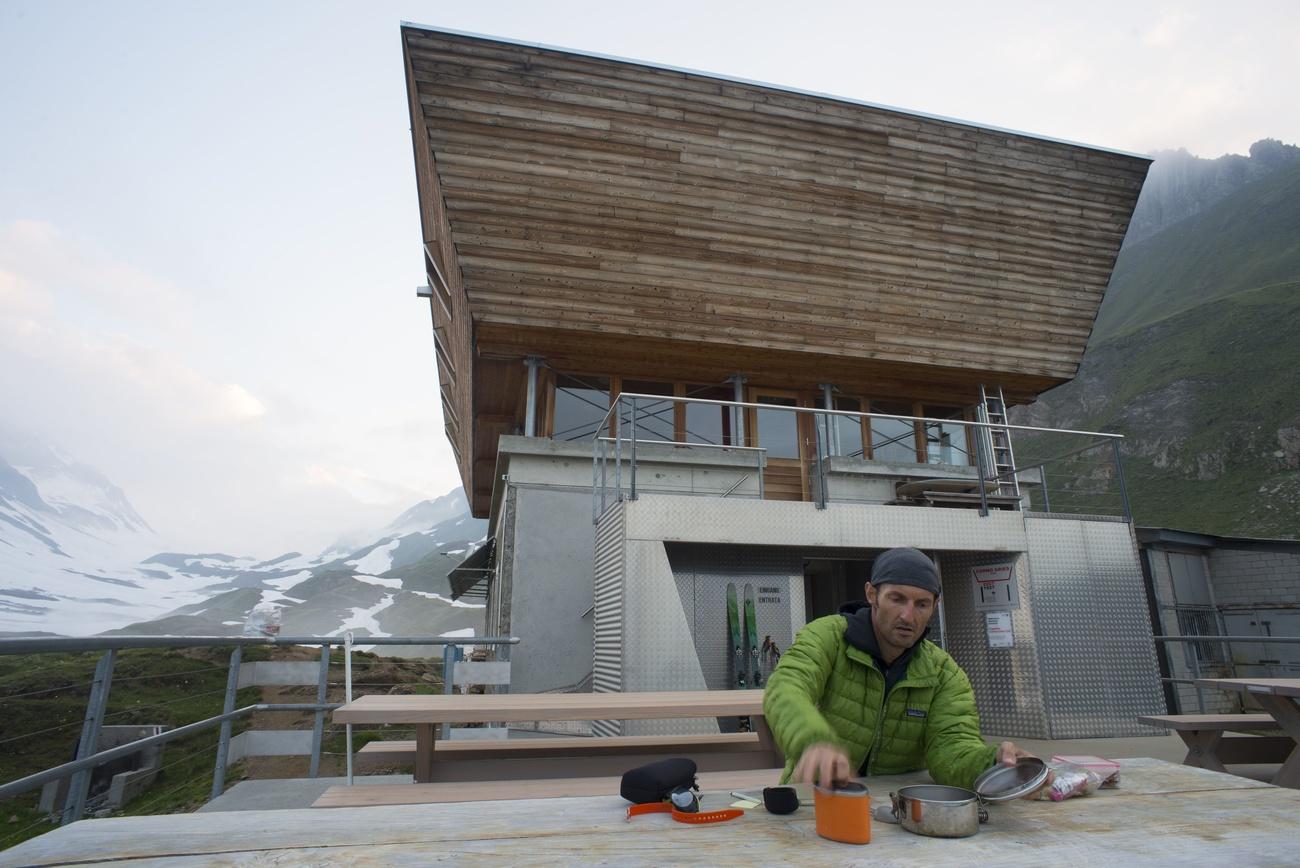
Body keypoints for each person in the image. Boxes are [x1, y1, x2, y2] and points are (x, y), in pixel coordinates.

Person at [762, 547, 1036, 789]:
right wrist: (812, 741)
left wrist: (993, 763)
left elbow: (952, 752)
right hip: (813, 797)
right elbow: (786, 688)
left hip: (895, 812)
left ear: (934, 606)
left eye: (921, 604)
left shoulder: (943, 674)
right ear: (872, 594)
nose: (908, 616)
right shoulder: (828, 637)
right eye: (897, 599)